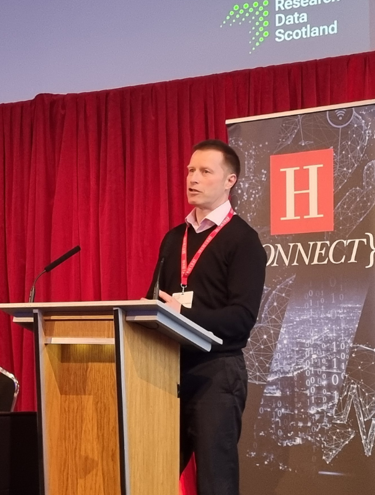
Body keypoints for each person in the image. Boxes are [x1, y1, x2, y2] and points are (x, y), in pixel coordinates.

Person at [145, 140, 266, 495]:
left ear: (230, 180)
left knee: (216, 482)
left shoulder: (243, 240)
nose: (193, 178)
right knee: (151, 472)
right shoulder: (173, 239)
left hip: (217, 373)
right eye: (189, 171)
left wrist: (185, 315)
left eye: (204, 171)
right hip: (166, 371)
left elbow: (241, 319)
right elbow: (154, 300)